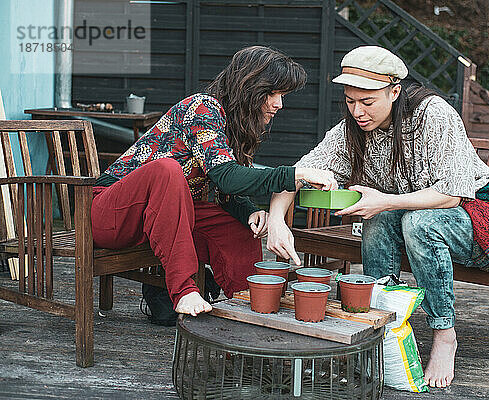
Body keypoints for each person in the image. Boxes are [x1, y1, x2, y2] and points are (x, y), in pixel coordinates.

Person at [266, 45, 489, 388]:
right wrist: (276, 220)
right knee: (379, 218)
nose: (357, 111)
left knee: (417, 222)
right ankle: (377, 326)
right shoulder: (351, 131)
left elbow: (451, 194)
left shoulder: (433, 115)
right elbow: (299, 172)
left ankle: (444, 333)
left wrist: (386, 201)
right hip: (409, 217)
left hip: (476, 215)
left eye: (367, 102)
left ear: (394, 90)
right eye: (349, 101)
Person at [91, 46, 337, 319]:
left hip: (165, 215)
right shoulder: (203, 108)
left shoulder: (236, 124)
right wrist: (295, 174)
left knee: (240, 228)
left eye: (282, 95)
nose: (280, 104)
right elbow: (227, 177)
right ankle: (184, 290)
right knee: (166, 170)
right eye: (272, 93)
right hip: (110, 214)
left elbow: (224, 188)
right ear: (249, 87)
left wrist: (249, 211)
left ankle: (251, 306)